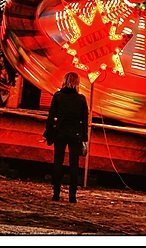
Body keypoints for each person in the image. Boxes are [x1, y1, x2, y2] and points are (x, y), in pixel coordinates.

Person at [44, 72, 89, 203]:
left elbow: (51, 116)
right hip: (75, 133)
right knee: (74, 164)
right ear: (77, 83)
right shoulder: (81, 99)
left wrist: (48, 132)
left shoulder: (58, 96)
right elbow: (85, 120)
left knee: (58, 161)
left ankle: (56, 192)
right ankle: (72, 195)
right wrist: (84, 137)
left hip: (60, 132)